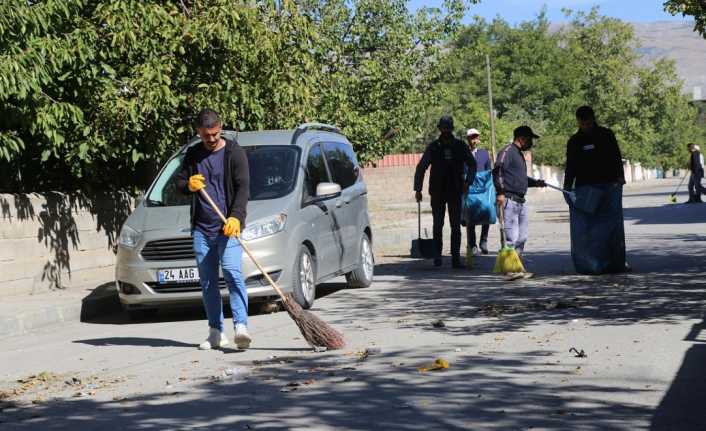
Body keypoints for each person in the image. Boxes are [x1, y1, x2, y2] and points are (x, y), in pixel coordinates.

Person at [176, 108, 252, 350]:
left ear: (220, 128)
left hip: (228, 227)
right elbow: (177, 183)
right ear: (198, 132)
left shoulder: (234, 152)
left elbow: (243, 188)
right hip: (202, 227)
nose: (210, 139)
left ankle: (241, 326)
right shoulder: (193, 154)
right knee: (208, 281)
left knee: (231, 271)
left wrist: (237, 217)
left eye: (215, 134)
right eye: (205, 135)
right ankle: (216, 331)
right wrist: (188, 184)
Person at [563, 105, 628, 274]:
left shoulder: (606, 135)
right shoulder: (574, 141)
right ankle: (591, 265)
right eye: (583, 124)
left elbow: (616, 156)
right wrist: (567, 186)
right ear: (578, 122)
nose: (587, 127)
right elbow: (570, 166)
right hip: (586, 188)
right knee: (588, 228)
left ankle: (616, 264)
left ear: (594, 119)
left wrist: (620, 177)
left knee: (612, 225)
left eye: (589, 123)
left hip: (610, 185)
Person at [414, 116, 477, 268]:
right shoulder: (434, 147)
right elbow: (421, 167)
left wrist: (468, 182)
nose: (446, 131)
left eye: (448, 128)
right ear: (440, 129)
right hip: (437, 191)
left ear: (451, 129)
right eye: (444, 128)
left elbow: (472, 164)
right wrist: (418, 189)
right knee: (438, 224)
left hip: (455, 190)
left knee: (455, 225)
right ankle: (437, 256)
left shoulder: (460, 146)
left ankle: (455, 258)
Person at [492, 126, 546, 257]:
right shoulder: (507, 151)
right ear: (522, 139)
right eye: (530, 140)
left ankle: (517, 265)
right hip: (508, 201)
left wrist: (535, 183)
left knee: (522, 237)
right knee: (511, 238)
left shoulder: (519, 155)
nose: (531, 143)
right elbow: (497, 171)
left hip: (521, 202)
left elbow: (520, 178)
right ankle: (510, 269)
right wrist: (500, 192)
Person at [465, 128, 492, 255]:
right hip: (469, 190)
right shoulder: (463, 153)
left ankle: (484, 241)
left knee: (486, 213)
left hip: (482, 189)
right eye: (471, 137)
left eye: (476, 137)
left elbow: (489, 171)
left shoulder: (484, 154)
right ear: (468, 139)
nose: (474, 140)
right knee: (470, 218)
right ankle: (472, 244)